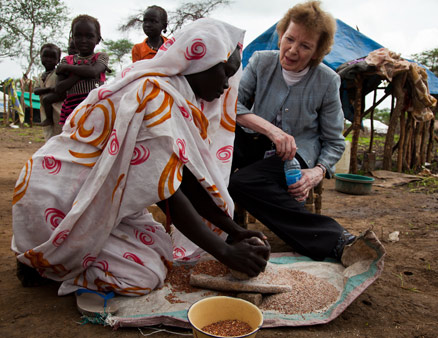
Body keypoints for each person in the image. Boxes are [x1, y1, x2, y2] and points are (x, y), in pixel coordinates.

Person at [12, 18, 269, 304]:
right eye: (223, 73)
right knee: (145, 274)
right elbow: (168, 195)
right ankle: (47, 262)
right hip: (57, 197)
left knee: (159, 247)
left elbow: (179, 177)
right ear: (200, 61)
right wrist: (225, 253)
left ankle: (50, 256)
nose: (225, 84)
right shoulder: (155, 97)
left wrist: (235, 231)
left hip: (89, 194)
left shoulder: (173, 94)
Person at [228, 1, 355, 261]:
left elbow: (334, 141)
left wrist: (316, 173)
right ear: (281, 33)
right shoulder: (261, 62)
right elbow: (233, 105)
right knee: (218, 155)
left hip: (293, 156)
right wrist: (271, 130)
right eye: (289, 39)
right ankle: (219, 232)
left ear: (317, 51)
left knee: (243, 182)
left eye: (305, 46)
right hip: (255, 141)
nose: (292, 50)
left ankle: (334, 239)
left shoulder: (327, 80)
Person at [56, 15, 109, 125]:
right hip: (72, 111)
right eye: (78, 36)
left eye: (89, 36)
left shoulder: (101, 57)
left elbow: (93, 72)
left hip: (97, 110)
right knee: (72, 141)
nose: (83, 40)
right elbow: (59, 88)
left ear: (98, 39)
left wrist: (68, 68)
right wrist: (81, 73)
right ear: (73, 38)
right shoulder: (66, 60)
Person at [34, 44, 64, 137]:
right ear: (41, 57)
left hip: (59, 111)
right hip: (45, 112)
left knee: (59, 134)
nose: (48, 59)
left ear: (58, 60)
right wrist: (50, 89)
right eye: (45, 56)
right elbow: (36, 90)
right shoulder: (40, 76)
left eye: (52, 57)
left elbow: (61, 90)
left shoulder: (59, 74)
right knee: (49, 134)